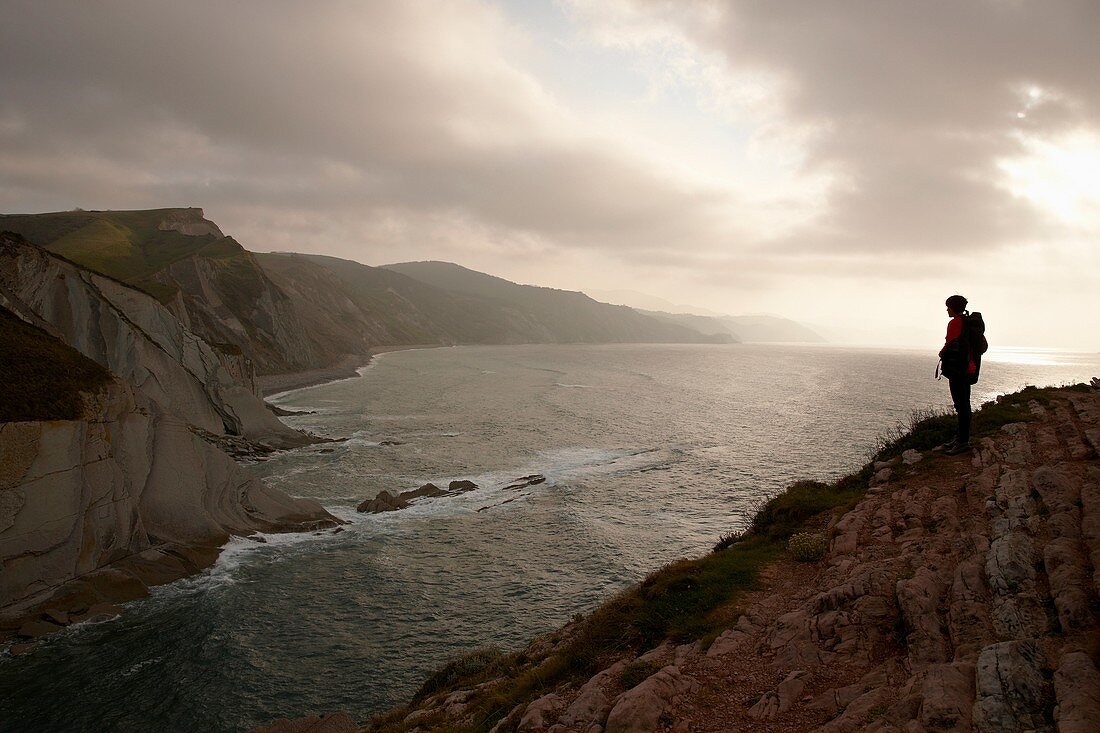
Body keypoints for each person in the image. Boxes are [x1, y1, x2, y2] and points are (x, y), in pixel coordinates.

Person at [938, 294, 977, 455]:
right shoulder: (968, 322)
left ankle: (962, 442)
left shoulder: (955, 322)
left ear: (953, 307)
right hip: (968, 368)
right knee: (964, 404)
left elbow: (949, 343)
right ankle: (961, 438)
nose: (947, 309)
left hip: (957, 370)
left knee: (961, 405)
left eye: (948, 306)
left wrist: (941, 353)